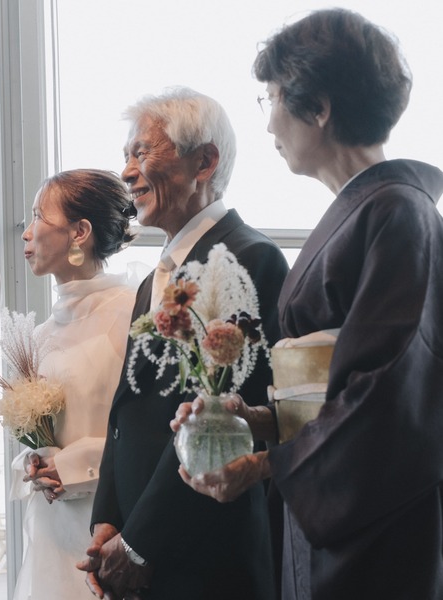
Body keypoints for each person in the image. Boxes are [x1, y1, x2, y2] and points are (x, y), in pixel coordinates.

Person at [173, 9, 443, 600]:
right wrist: (256, 422)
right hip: (333, 491)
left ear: (318, 108)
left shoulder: (400, 213)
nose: (269, 120)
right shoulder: (375, 210)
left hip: (374, 519)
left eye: (272, 97)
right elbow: (335, 392)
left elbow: (393, 393)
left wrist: (268, 465)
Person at [79, 87, 289, 599]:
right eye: (126, 156)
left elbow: (217, 422)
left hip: (205, 552)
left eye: (141, 153)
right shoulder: (153, 279)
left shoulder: (248, 259)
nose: (127, 172)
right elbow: (127, 411)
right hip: (138, 539)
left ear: (204, 162)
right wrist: (107, 520)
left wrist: (139, 544)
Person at [11, 169, 136, 599]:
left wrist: (75, 466)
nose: (26, 233)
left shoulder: (131, 314)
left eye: (38, 217)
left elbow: (143, 436)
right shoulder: (40, 334)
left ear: (80, 232)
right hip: (52, 530)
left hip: (107, 526)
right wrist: (35, 460)